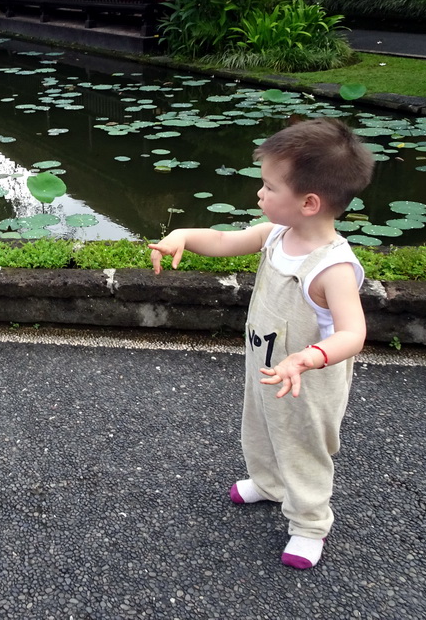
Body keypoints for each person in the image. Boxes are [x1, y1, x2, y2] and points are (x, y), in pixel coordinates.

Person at [149, 118, 374, 570]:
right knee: (260, 429)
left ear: (309, 202)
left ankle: (310, 524)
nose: (260, 194)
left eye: (269, 187)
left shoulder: (332, 268)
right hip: (266, 365)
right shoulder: (277, 235)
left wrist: (307, 359)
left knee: (302, 449)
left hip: (306, 383)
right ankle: (269, 483)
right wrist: (184, 236)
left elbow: (354, 333)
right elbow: (224, 239)